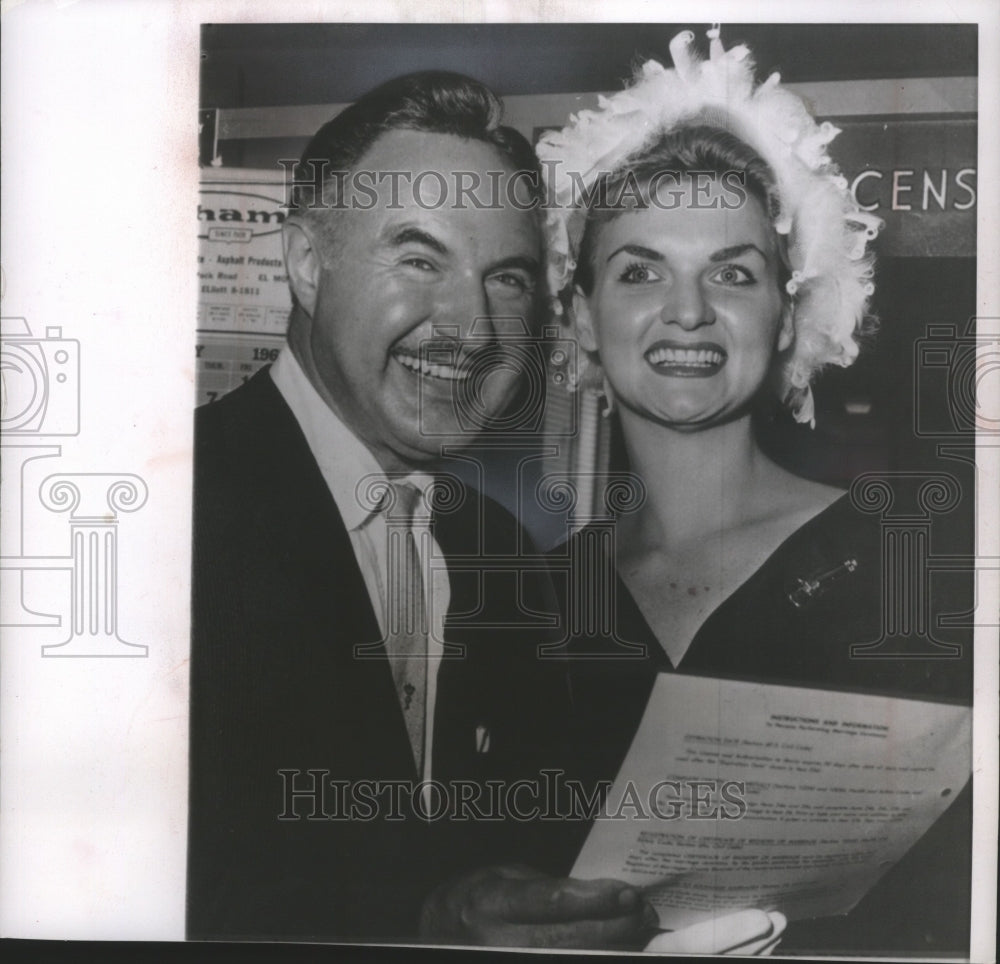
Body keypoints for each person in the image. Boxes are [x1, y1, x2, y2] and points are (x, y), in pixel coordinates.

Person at [188, 68, 786, 953]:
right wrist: (421, 926)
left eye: (505, 278)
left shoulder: (493, 547)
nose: (471, 326)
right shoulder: (167, 509)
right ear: (307, 265)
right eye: (419, 259)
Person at [536, 28, 973, 956]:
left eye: (732, 274)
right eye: (640, 271)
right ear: (582, 315)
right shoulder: (543, 599)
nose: (687, 311)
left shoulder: (917, 564)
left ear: (785, 315)